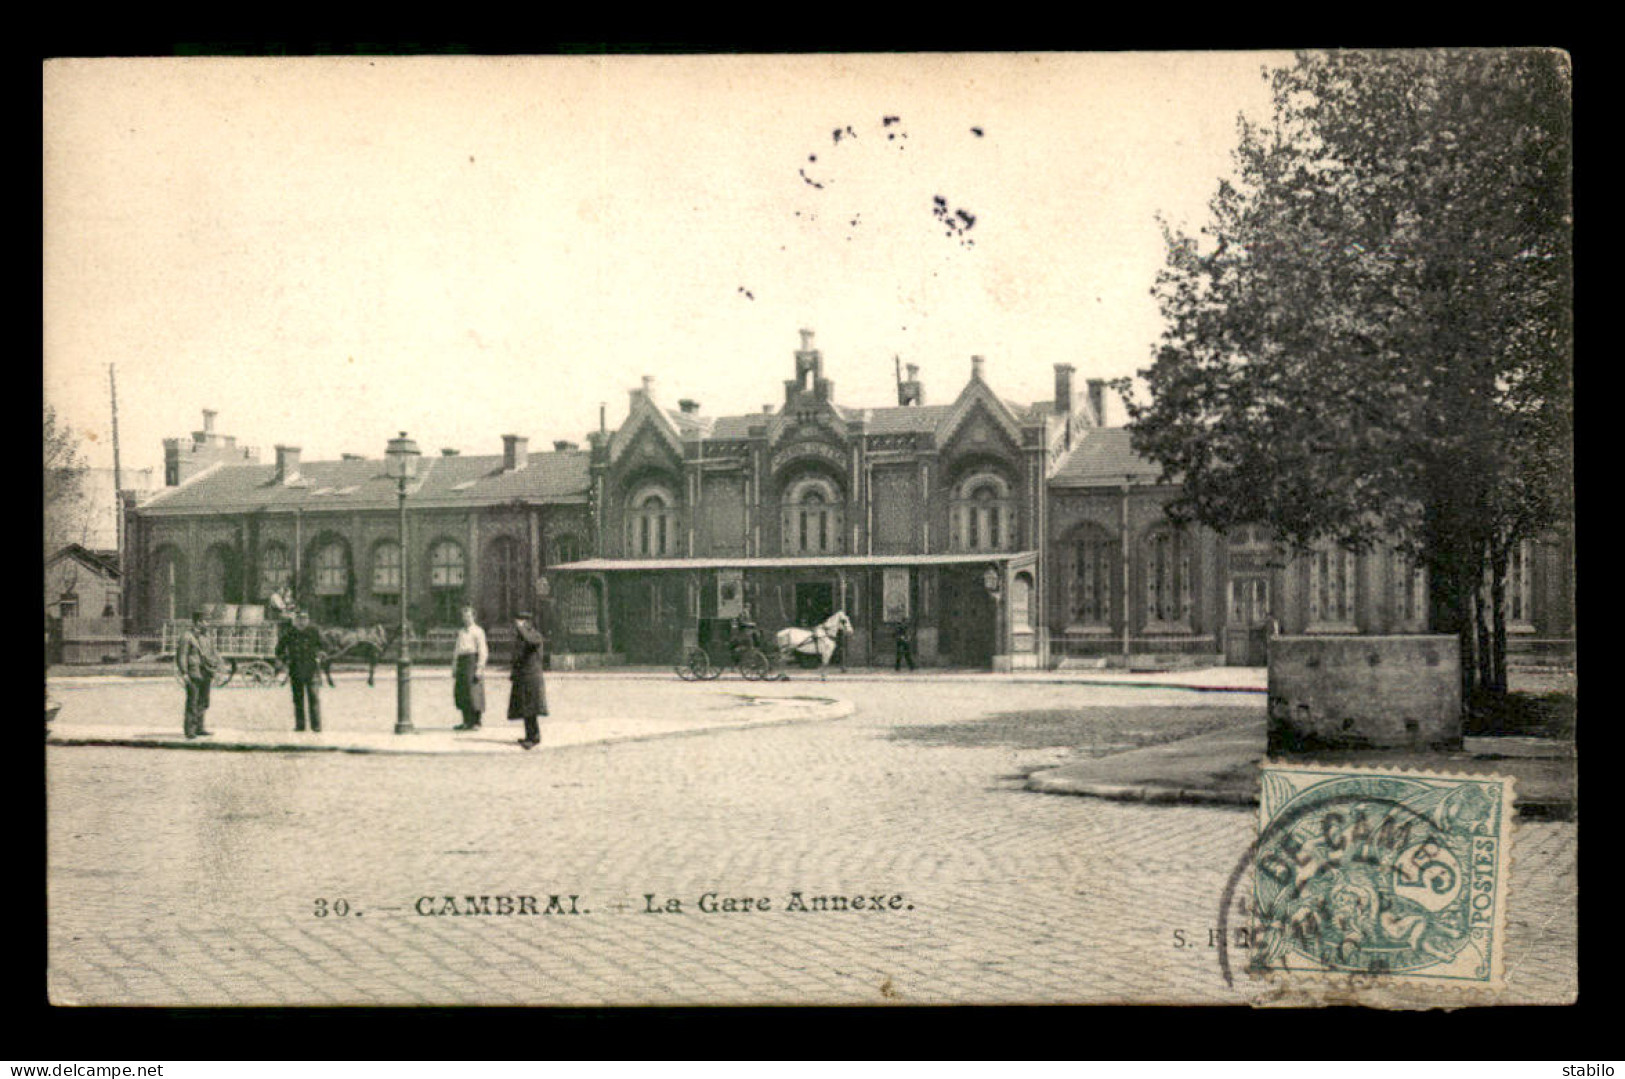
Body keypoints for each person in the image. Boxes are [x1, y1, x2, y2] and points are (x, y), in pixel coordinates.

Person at [276, 609, 326, 732]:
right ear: (294, 621)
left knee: (314, 698)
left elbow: (325, 646)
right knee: (298, 699)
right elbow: (279, 649)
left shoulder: (314, 631)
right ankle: (300, 726)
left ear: (308, 620)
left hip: (312, 670)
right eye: (299, 619)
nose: (301, 622)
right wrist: (285, 660)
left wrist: (320, 655)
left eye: (304, 619)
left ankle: (316, 726)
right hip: (295, 670)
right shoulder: (289, 633)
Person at [175, 610, 222, 738]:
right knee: (193, 701)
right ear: (198, 622)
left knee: (204, 701)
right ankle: (190, 730)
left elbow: (213, 653)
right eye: (205, 621)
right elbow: (182, 655)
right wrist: (184, 672)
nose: (208, 624)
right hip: (193, 672)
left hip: (206, 672)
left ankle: (200, 727)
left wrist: (217, 668)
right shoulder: (187, 636)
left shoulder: (206, 637)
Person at [508, 611, 548, 749]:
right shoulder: (522, 637)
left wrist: (521, 628)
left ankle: (535, 737)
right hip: (523, 677)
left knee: (531, 708)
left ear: (529, 622)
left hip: (532, 677)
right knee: (525, 707)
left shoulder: (535, 635)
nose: (519, 624)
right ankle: (528, 735)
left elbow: (529, 640)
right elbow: (517, 656)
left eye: (523, 621)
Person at [452, 605, 488, 730]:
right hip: (462, 663)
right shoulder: (461, 632)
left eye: (468, 616)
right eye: (464, 616)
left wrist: (479, 668)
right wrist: (454, 667)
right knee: (462, 692)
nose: (466, 619)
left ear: (474, 617)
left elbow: (483, 650)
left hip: (472, 662)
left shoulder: (478, 631)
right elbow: (457, 650)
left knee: (474, 692)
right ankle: (466, 722)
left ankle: (477, 722)